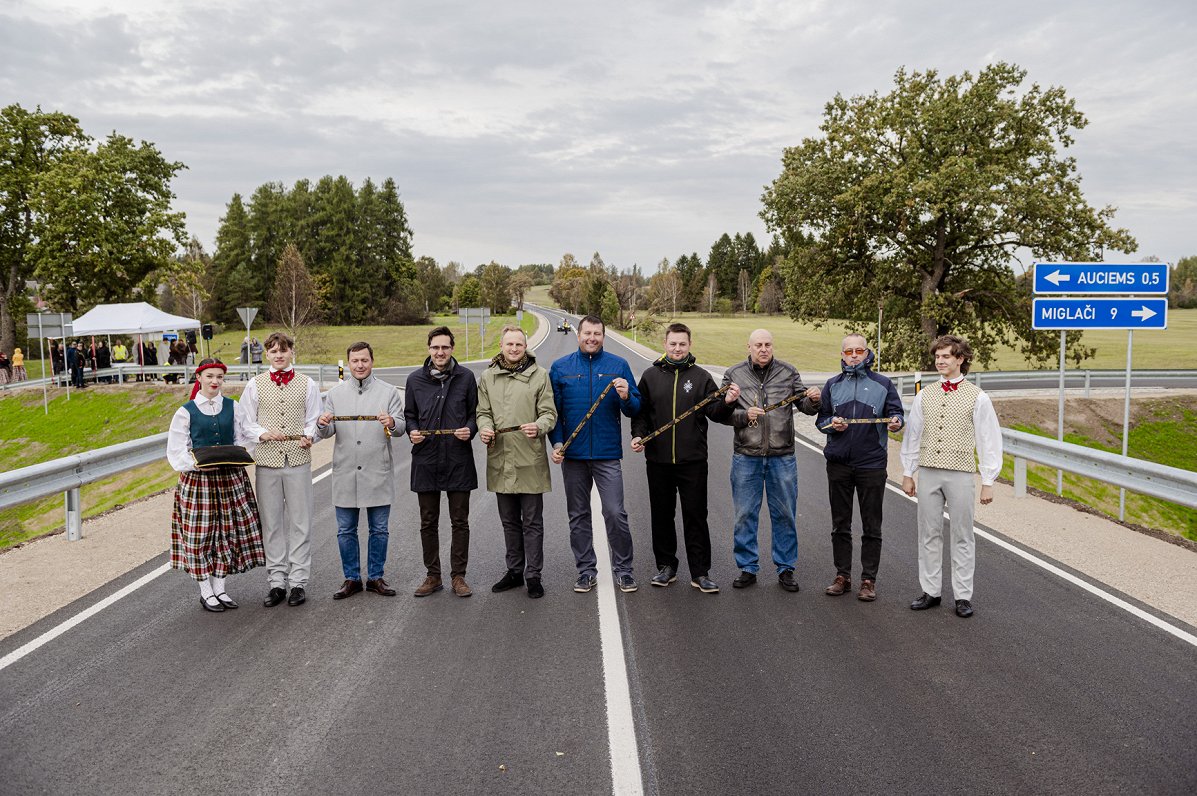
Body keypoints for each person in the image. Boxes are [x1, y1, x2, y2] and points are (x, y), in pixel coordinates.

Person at [630, 323, 738, 594]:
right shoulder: (650, 376)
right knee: (662, 515)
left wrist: (728, 402)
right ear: (665, 344)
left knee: (696, 516)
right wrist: (638, 435)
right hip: (658, 461)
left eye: (682, 344)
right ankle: (666, 566)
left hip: (693, 461)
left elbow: (715, 411)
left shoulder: (701, 377)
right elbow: (641, 413)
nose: (677, 349)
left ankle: (700, 573)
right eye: (673, 344)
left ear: (689, 345)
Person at [901, 335, 1002, 619]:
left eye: (946, 356)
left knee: (962, 535)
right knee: (928, 533)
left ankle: (963, 596)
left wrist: (988, 480)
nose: (940, 361)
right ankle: (930, 591)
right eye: (937, 357)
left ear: (960, 359)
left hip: (960, 473)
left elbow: (988, 439)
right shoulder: (925, 395)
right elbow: (913, 436)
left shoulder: (978, 397)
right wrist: (909, 473)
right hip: (929, 471)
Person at [720, 329, 820, 592]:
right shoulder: (733, 374)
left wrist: (814, 400)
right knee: (744, 514)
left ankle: (786, 568)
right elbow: (720, 411)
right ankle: (747, 567)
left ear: (772, 346)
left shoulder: (788, 372)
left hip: (782, 456)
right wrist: (743, 416)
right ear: (749, 346)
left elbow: (805, 407)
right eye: (758, 345)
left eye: (767, 344)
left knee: (785, 514)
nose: (763, 349)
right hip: (746, 455)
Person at [549, 315, 641, 594]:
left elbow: (636, 409)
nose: (592, 338)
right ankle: (586, 570)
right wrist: (556, 444)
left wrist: (627, 397)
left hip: (607, 453)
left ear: (604, 336)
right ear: (578, 335)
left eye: (597, 334)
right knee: (578, 515)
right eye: (587, 333)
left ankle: (624, 570)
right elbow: (553, 413)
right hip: (573, 456)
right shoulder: (560, 368)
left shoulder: (619, 365)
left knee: (615, 513)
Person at [165, 358, 265, 612]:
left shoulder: (233, 407)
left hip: (229, 478)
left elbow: (244, 438)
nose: (214, 381)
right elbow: (176, 451)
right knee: (200, 536)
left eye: (219, 377)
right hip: (199, 481)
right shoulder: (185, 411)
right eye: (209, 376)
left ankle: (220, 587)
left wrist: (237, 456)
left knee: (227, 533)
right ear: (199, 378)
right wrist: (197, 464)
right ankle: (205, 590)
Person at [816, 335, 904, 602]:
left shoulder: (883, 384)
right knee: (840, 524)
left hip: (872, 464)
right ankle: (842, 576)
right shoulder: (832, 385)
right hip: (839, 463)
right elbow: (821, 421)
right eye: (849, 351)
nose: (854, 355)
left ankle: (868, 580)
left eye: (859, 351)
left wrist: (897, 422)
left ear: (867, 353)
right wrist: (833, 423)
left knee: (871, 525)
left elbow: (897, 414)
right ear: (842, 355)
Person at [316, 341, 405, 600]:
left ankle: (376, 576)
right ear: (349, 363)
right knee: (346, 530)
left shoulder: (388, 393)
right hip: (345, 471)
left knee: (379, 529)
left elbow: (399, 428)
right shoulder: (335, 394)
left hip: (377, 470)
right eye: (354, 361)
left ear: (372, 361)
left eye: (364, 360)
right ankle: (351, 578)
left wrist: (391, 422)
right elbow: (327, 430)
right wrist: (323, 424)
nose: (359, 365)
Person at [241, 332, 322, 608]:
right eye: (274, 351)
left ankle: (298, 581)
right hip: (267, 462)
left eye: (283, 351)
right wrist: (263, 433)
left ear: (291, 353)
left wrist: (310, 435)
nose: (279, 355)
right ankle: (277, 581)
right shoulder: (254, 385)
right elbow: (245, 422)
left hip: (298, 460)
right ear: (266, 354)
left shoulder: (307, 383)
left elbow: (314, 418)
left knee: (301, 522)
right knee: (272, 523)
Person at [477, 326, 556, 599]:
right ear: (501, 345)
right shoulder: (487, 377)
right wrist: (485, 427)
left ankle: (533, 575)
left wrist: (539, 425)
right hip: (500, 457)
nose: (513, 349)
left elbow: (549, 413)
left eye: (518, 345)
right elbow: (482, 412)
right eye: (509, 344)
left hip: (529, 458)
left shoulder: (539, 376)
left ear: (525, 346)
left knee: (532, 522)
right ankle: (514, 571)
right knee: (509, 521)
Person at [404, 326, 478, 598]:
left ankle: (459, 576)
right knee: (428, 522)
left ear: (452, 349)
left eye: (445, 347)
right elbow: (409, 415)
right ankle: (432, 575)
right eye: (435, 347)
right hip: (426, 459)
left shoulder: (467, 378)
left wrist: (470, 429)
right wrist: (412, 431)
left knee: (460, 521)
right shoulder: (415, 380)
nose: (440, 352)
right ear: (429, 349)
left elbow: (474, 414)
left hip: (458, 458)